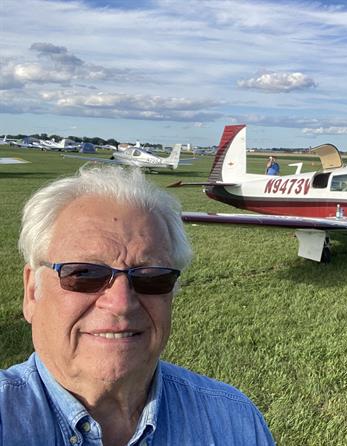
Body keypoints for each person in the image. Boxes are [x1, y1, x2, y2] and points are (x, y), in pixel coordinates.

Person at [0, 166, 275, 445]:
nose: (121, 304)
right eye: (84, 273)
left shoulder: (234, 421)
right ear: (32, 291)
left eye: (151, 277)